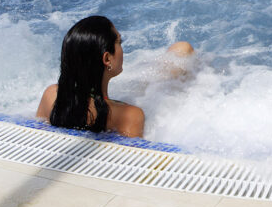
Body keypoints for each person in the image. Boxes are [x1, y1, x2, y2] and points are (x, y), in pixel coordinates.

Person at [36, 15, 194, 138]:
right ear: (107, 59)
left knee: (181, 50)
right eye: (119, 41)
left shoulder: (52, 95)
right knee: (184, 50)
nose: (121, 48)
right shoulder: (129, 115)